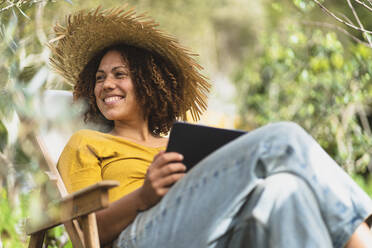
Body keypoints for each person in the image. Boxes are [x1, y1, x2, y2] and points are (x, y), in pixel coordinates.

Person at [51, 5, 372, 248]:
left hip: (214, 230)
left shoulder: (181, 144)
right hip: (138, 237)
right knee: (282, 138)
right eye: (100, 78)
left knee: (285, 190)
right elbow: (83, 231)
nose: (107, 84)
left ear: (149, 83)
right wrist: (143, 196)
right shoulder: (86, 142)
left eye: (120, 74)